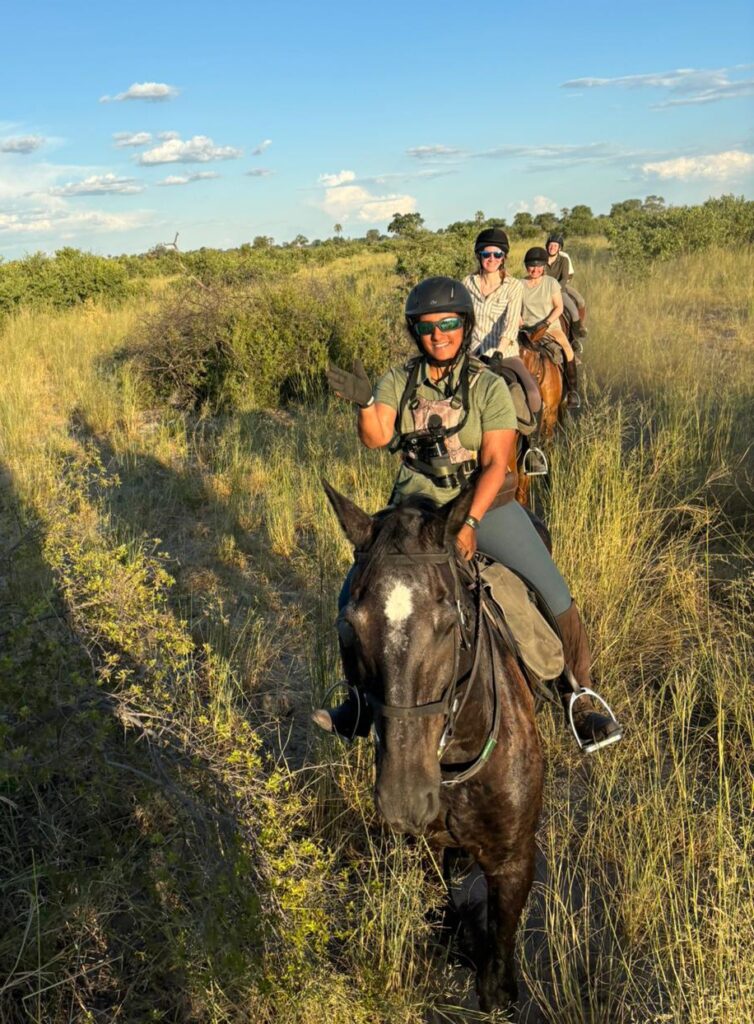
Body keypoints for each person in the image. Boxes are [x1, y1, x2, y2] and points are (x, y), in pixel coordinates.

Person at [313, 276, 621, 752]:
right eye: (428, 327)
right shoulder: (400, 380)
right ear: (415, 331)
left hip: (485, 503)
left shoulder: (488, 385)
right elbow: (376, 437)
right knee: (352, 595)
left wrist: (471, 522)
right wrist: (367, 404)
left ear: (464, 324)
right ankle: (357, 701)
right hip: (415, 508)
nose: (439, 335)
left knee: (552, 590)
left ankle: (578, 695)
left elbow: (497, 463)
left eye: (449, 324)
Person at [520, 247, 581, 409]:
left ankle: (572, 391)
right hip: (526, 330)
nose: (535, 269)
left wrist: (546, 323)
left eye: (539, 266)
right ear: (526, 266)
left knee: (567, 350)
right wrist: (520, 323)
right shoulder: (520, 285)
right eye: (531, 266)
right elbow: (515, 309)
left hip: (549, 327)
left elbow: (559, 307)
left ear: (544, 267)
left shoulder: (551, 283)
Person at [462, 228, 523, 359]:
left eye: (497, 255)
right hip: (473, 353)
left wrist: (498, 353)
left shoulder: (514, 286)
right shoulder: (467, 283)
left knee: (527, 380)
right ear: (479, 256)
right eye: (486, 254)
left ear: (503, 258)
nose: (492, 259)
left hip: (504, 354)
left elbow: (511, 326)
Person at [545, 234, 587, 339]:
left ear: (559, 248)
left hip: (560, 289)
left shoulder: (564, 259)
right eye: (550, 245)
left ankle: (575, 338)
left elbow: (565, 278)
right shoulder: (542, 258)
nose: (552, 247)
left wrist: (554, 290)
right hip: (543, 290)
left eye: (555, 245)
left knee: (574, 312)